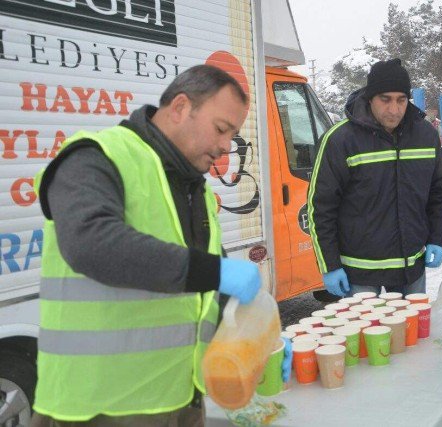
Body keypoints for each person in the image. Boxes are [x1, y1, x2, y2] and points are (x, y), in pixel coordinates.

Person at [30, 65, 292, 427]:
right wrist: (214, 271)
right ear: (181, 107)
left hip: (178, 401)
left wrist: (261, 339)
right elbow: (91, 243)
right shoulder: (96, 156)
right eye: (221, 129)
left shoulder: (193, 186)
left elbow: (203, 294)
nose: (225, 146)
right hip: (98, 409)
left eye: (232, 134)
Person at [308, 58, 442, 297]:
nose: (394, 109)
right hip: (360, 272)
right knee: (366, 335)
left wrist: (437, 237)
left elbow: (438, 192)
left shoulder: (425, 135)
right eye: (385, 99)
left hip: (410, 268)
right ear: (370, 97)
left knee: (412, 334)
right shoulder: (340, 140)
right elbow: (321, 207)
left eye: (401, 100)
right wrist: (329, 265)